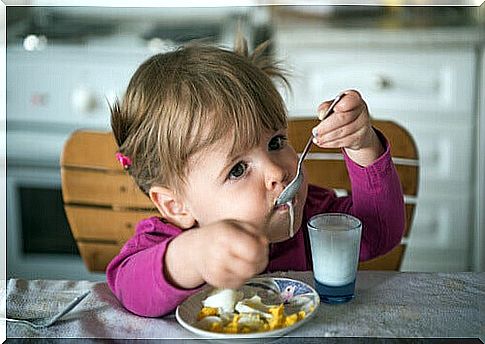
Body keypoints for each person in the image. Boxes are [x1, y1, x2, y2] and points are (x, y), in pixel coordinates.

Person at [106, 37, 405, 317]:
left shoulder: (312, 214)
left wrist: (363, 146)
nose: (277, 172)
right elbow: (129, 288)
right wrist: (194, 256)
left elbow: (378, 233)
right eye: (237, 169)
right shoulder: (167, 241)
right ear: (177, 206)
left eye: (276, 142)